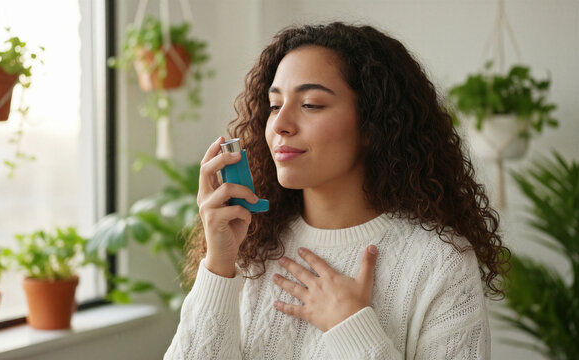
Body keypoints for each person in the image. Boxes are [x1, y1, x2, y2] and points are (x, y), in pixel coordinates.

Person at [164, 22, 509, 359]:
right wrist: (219, 266)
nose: (280, 125)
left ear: (373, 124)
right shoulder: (251, 247)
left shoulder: (440, 263)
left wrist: (352, 328)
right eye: (274, 105)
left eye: (311, 104)